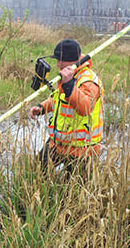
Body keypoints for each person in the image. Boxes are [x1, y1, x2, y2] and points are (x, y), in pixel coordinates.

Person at [30, 39, 104, 177]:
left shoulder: (89, 80)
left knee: (74, 190)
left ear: (71, 60)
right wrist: (42, 108)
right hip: (58, 143)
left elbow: (85, 108)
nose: (57, 64)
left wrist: (69, 85)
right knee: (37, 170)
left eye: (60, 60)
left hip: (82, 149)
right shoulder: (67, 75)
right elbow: (58, 99)